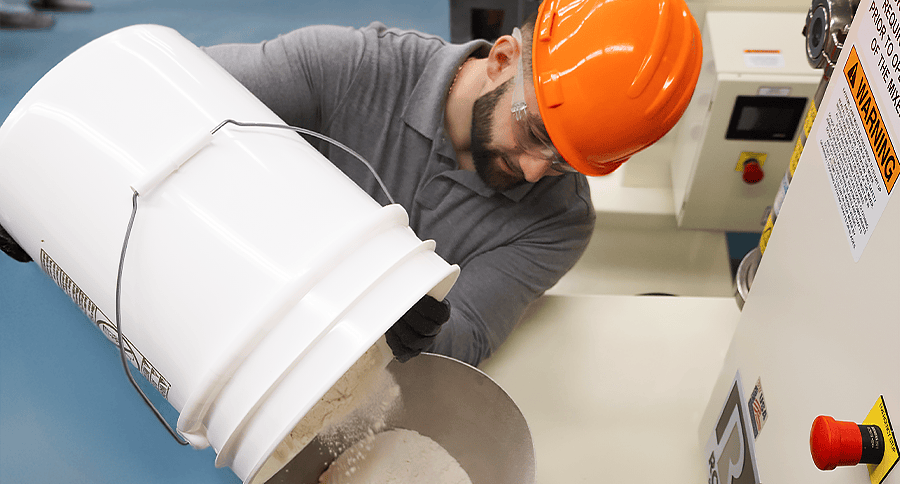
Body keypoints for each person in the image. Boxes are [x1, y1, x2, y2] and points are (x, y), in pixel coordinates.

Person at [0, 0, 702, 366]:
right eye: (538, 135)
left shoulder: (560, 221)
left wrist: (411, 325)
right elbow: (161, 92)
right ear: (505, 58)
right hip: (192, 302)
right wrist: (41, 185)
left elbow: (470, 334)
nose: (534, 172)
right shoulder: (350, 68)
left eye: (571, 165)